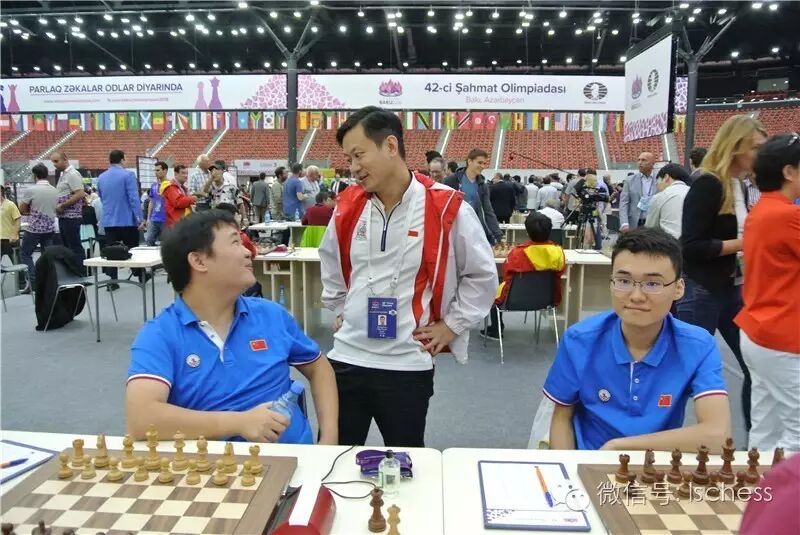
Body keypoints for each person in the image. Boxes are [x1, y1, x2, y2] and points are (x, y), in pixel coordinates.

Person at [319, 106, 497, 447]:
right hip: (347, 358)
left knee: (405, 463)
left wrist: (452, 324)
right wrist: (340, 307)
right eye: (348, 158)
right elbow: (330, 262)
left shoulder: (445, 206)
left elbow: (482, 274)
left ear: (390, 146)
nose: (353, 167)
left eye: (359, 155)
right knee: (333, 459)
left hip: (406, 364)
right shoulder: (347, 206)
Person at [126, 210, 338, 444]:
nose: (248, 251)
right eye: (235, 242)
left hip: (296, 458)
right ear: (199, 261)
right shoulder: (160, 335)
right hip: (219, 465)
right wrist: (240, 423)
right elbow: (141, 419)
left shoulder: (270, 315)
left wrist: (328, 440)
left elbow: (319, 367)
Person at [544, 227, 731, 451]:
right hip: (589, 462)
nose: (636, 296)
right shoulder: (579, 340)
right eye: (624, 281)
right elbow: (562, 417)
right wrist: (572, 469)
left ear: (678, 288)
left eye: (652, 284)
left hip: (657, 464)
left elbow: (718, 435)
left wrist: (618, 447)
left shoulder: (698, 346)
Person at [678, 114, 767, 433]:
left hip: (731, 290)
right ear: (736, 145)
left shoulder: (738, 185)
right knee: (686, 374)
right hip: (702, 289)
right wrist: (743, 244)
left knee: (754, 367)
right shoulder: (708, 184)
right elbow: (691, 245)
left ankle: (754, 442)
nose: (761, 154)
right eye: (756, 147)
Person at [735, 133, 800, 451]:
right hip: (782, 335)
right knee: (796, 434)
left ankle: (759, 482)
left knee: (766, 429)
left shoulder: (762, 210)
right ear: (789, 172)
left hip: (760, 330)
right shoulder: (788, 216)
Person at [482, 212, 565, 340]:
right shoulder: (558, 252)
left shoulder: (517, 253)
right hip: (547, 299)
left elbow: (507, 274)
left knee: (494, 288)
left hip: (515, 300)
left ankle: (496, 329)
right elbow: (560, 272)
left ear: (527, 232)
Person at [97, 150, 145, 286]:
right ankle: (140, 275)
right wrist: (140, 218)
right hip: (127, 219)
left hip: (109, 220)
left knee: (111, 251)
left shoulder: (101, 177)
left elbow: (101, 196)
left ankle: (112, 281)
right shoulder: (128, 175)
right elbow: (134, 198)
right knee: (133, 249)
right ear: (122, 159)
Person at [443, 149, 503, 244]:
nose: (482, 166)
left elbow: (488, 211)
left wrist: (497, 234)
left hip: (475, 230)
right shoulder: (451, 180)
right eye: (479, 163)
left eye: (484, 163)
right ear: (470, 161)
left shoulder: (482, 185)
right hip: (454, 230)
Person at [18, 163, 58, 291]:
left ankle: (34, 282)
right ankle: (49, 282)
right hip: (49, 228)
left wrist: (30, 211)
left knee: (25, 254)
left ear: (35, 175)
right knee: (48, 256)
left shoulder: (32, 190)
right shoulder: (54, 190)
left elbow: (22, 209)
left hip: (34, 229)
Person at [50, 151, 86, 262]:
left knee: (74, 247)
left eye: (56, 161)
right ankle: (72, 269)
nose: (54, 164)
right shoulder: (64, 174)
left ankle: (79, 269)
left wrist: (63, 205)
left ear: (65, 159)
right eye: (53, 162)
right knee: (67, 247)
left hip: (71, 217)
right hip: (64, 216)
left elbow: (80, 193)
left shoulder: (72, 174)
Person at [644, 163, 691, 239]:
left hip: (669, 243)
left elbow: (649, 229)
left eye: (657, 182)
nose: (657, 187)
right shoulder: (694, 193)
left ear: (666, 177)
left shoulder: (660, 196)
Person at [619, 152, 657, 232]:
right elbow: (624, 203)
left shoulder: (660, 179)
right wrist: (624, 223)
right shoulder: (630, 180)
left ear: (652, 163)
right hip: (635, 224)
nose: (640, 163)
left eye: (644, 160)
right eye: (638, 160)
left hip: (654, 224)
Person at [145, 161, 168, 246]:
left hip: (166, 219)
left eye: (158, 170)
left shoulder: (170, 185)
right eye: (155, 170)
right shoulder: (154, 185)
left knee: (166, 242)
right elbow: (151, 201)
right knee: (149, 240)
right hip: (154, 219)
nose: (156, 172)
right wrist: (148, 218)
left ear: (165, 171)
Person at [1, 185, 21, 263]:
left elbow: (18, 219)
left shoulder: (10, 204)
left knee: (16, 263)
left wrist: (14, 234)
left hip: (9, 239)